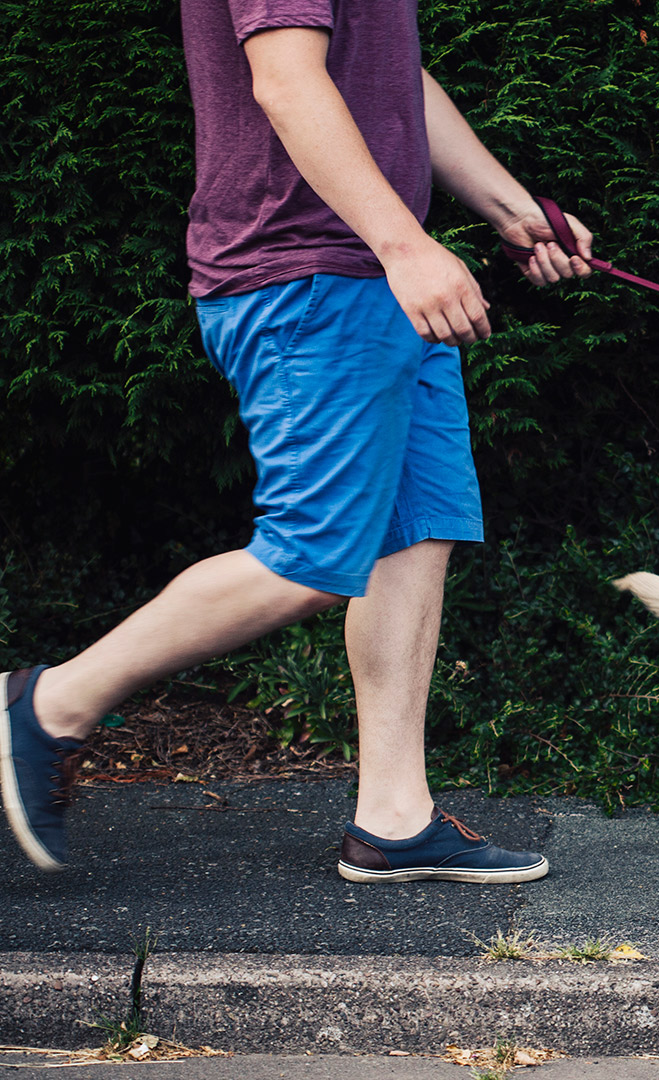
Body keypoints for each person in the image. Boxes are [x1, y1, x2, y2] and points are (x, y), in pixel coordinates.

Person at [1, 0, 591, 882]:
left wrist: (509, 210)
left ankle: (395, 818)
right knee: (311, 554)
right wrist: (405, 246)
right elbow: (285, 80)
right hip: (307, 272)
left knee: (415, 533)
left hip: (371, 275)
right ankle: (44, 708)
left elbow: (391, 84)